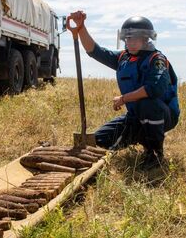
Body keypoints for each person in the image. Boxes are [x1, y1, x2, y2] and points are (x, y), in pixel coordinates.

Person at [66, 11, 180, 169]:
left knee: (148, 104)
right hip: (135, 116)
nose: (130, 42)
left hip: (162, 114)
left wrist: (124, 98)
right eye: (127, 38)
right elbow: (96, 52)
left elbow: (154, 88)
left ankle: (154, 154)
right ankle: (140, 135)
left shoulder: (157, 60)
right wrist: (81, 28)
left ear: (146, 39)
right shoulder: (123, 58)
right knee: (99, 140)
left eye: (135, 38)